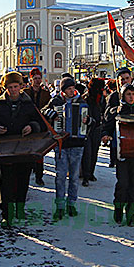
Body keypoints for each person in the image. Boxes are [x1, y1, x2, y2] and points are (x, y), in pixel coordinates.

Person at [0, 71, 45, 227]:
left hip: (24, 149)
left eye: (15, 87)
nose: (13, 90)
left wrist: (31, 127)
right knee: (6, 182)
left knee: (23, 180)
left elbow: (41, 124)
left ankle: (20, 208)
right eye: (10, 87)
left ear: (21, 87)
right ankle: (6, 214)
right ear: (5, 88)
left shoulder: (28, 104)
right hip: (4, 150)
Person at [102, 84, 134, 226]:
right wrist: (105, 135)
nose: (131, 97)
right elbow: (107, 127)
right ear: (123, 95)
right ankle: (118, 208)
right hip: (121, 152)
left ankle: (131, 214)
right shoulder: (116, 111)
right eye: (128, 94)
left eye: (133, 94)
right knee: (123, 183)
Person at [43, 77, 89, 220]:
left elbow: (92, 121)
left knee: (74, 177)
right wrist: (52, 114)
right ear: (63, 90)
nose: (71, 90)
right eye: (69, 88)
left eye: (72, 88)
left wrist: (88, 121)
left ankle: (72, 204)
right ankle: (60, 206)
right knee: (60, 177)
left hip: (77, 144)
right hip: (61, 144)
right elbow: (43, 111)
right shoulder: (56, 101)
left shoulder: (81, 102)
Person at [24, 68, 51, 186]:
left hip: (41, 125)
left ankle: (39, 176)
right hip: (27, 124)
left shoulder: (46, 94)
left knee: (40, 151)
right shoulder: (24, 92)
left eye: (39, 78)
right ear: (31, 80)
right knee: (28, 150)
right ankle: (28, 172)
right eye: (35, 78)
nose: (37, 80)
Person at [81, 78, 105, 186]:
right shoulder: (86, 98)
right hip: (87, 128)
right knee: (87, 153)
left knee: (94, 152)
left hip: (97, 128)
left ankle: (90, 173)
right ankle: (85, 176)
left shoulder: (100, 98)